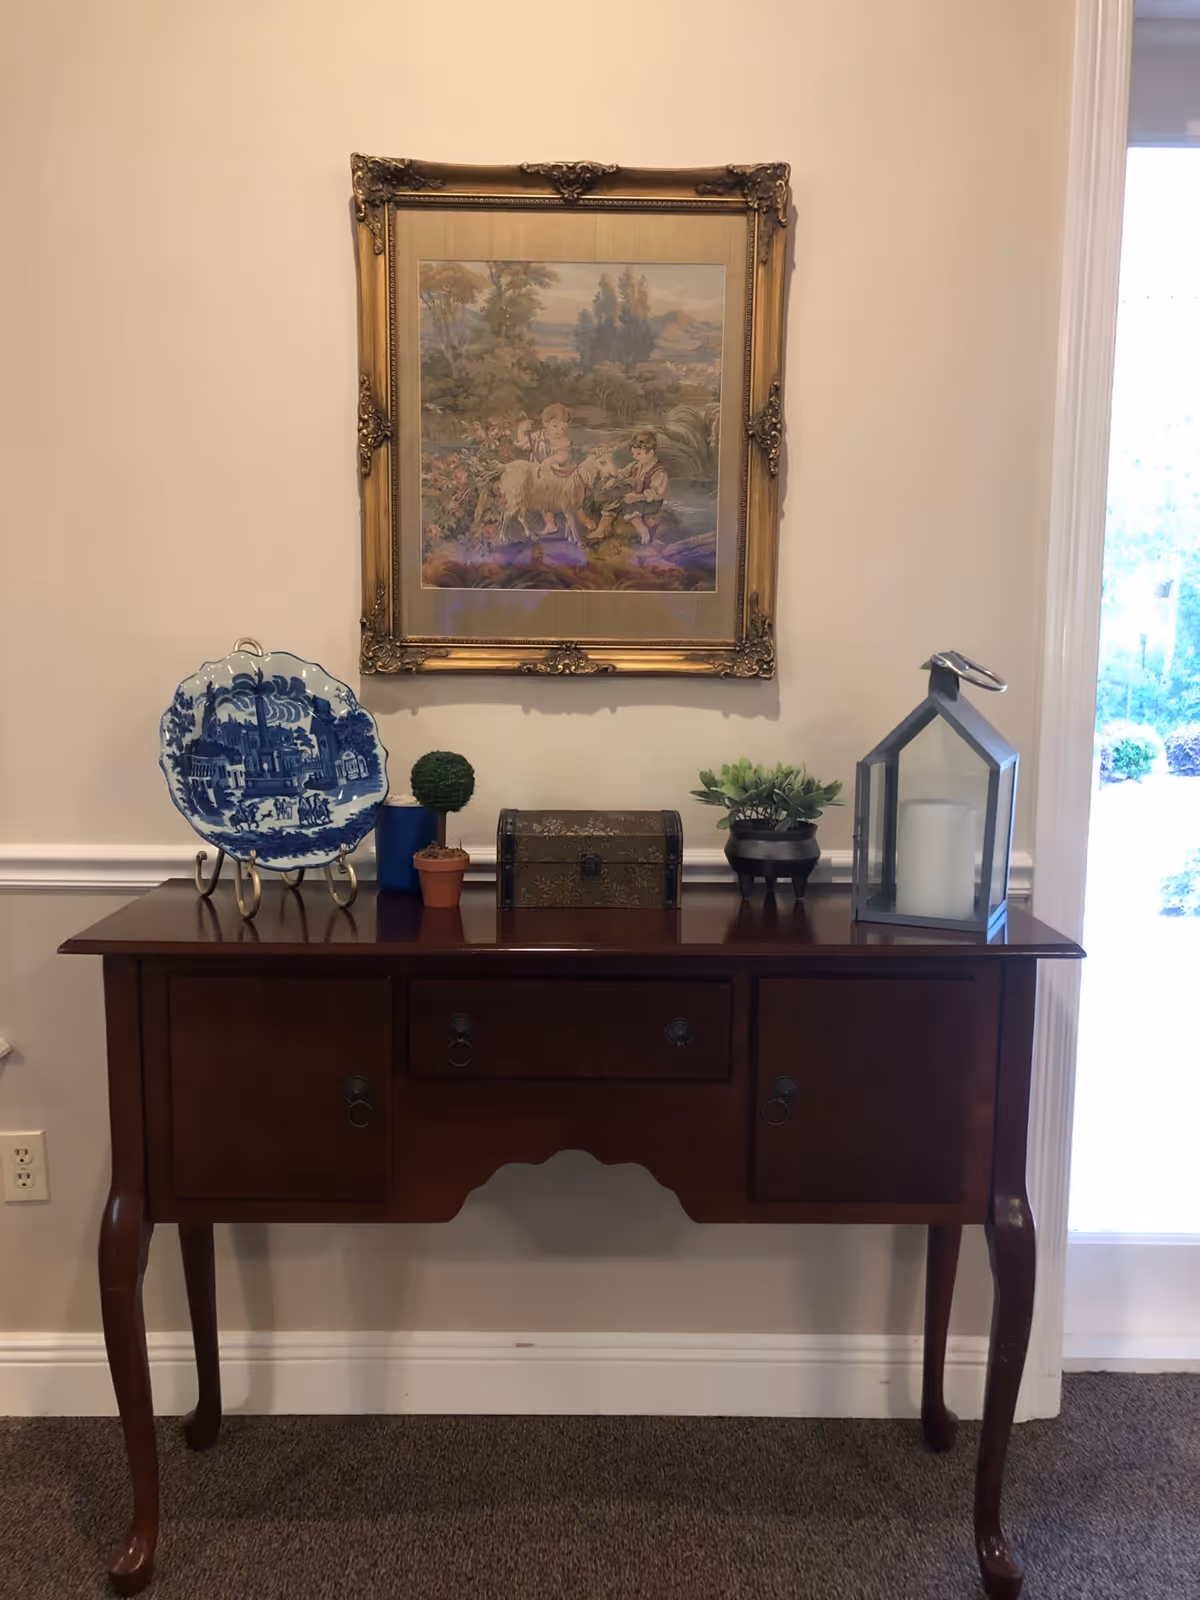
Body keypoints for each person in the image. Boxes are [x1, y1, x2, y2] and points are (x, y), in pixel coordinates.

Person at [589, 430, 670, 544]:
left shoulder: (659, 473)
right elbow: (621, 474)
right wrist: (611, 474)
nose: (635, 457)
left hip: (649, 503)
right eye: (633, 454)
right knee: (614, 500)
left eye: (638, 454)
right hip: (634, 498)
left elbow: (658, 494)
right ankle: (601, 530)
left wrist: (638, 497)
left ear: (650, 453)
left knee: (627, 504)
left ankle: (643, 530)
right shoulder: (635, 466)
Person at [515, 403, 576, 537]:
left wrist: (551, 460)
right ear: (545, 423)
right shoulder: (539, 435)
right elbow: (524, 444)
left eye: (562, 427)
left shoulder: (563, 441)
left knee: (549, 497)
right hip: (537, 473)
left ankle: (566, 522)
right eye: (555, 426)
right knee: (539, 497)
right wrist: (521, 430)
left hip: (556, 474)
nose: (558, 431)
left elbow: (564, 456)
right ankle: (549, 524)